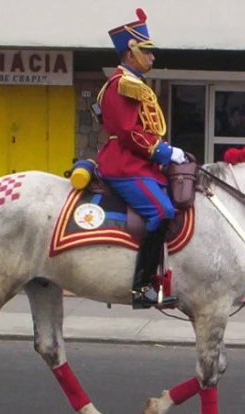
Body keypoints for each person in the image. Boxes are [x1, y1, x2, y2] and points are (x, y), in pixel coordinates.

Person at [96, 8, 186, 309]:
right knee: (161, 212)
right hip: (123, 164)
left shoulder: (133, 82)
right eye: (147, 52)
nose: (152, 58)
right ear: (131, 52)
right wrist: (163, 152)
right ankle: (141, 287)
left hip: (137, 162)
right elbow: (126, 132)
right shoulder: (122, 84)